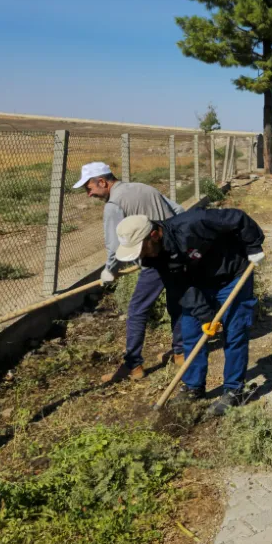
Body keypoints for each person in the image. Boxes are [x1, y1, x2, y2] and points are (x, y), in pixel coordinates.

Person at [113, 208, 265, 415]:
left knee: (235, 332)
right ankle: (194, 387)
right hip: (197, 284)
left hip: (232, 275)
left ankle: (234, 390)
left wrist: (253, 246)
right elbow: (178, 286)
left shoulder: (194, 222)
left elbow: (238, 218)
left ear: (154, 235)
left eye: (141, 248)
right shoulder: (153, 257)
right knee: (191, 333)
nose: (139, 255)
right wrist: (206, 315)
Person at [73, 162, 186, 384]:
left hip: (153, 261)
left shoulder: (114, 204)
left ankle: (133, 365)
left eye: (89, 188)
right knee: (177, 303)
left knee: (136, 310)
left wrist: (109, 271)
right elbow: (180, 211)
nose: (89, 195)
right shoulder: (145, 188)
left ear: (102, 182)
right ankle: (181, 353)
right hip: (175, 252)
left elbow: (115, 246)